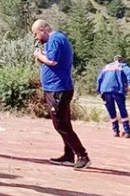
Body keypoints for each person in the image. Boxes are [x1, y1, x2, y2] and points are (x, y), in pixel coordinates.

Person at [31, 19, 90, 170]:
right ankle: (68, 155)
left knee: (60, 124)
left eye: (36, 34)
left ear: (43, 30)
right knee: (64, 122)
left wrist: (39, 55)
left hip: (58, 89)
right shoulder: (55, 40)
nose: (36, 38)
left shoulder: (55, 39)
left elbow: (52, 61)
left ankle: (82, 155)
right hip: (56, 88)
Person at [97, 55, 130, 138]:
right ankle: (127, 131)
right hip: (117, 90)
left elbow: (99, 79)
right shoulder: (122, 66)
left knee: (111, 111)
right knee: (122, 110)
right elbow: (128, 72)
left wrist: (99, 91)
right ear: (121, 60)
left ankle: (115, 131)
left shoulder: (106, 67)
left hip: (105, 90)